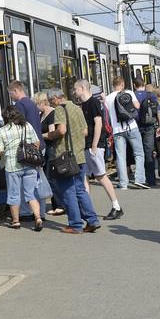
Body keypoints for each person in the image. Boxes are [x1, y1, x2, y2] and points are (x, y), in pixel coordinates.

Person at [48, 89, 100, 234]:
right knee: (80, 189)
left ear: (54, 98)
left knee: (68, 191)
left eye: (51, 102)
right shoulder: (77, 108)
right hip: (80, 156)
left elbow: (61, 130)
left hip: (65, 158)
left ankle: (75, 225)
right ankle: (92, 220)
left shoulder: (60, 108)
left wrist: (50, 135)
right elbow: (85, 131)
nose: (52, 105)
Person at [0, 104, 45, 232]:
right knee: (30, 193)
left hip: (12, 167)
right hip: (29, 164)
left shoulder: (2, 131)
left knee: (14, 195)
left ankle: (16, 222)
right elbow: (37, 143)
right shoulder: (27, 126)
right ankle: (38, 218)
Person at [75, 79, 123, 219]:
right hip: (88, 145)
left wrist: (95, 145)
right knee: (85, 176)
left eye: (75, 89)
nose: (73, 91)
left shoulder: (93, 103)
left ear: (83, 88)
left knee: (101, 175)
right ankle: (86, 208)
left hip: (93, 145)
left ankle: (116, 206)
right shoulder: (84, 104)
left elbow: (98, 123)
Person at [104, 76, 148, 189]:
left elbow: (108, 116)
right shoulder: (128, 92)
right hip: (131, 127)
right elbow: (137, 106)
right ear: (122, 84)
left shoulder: (108, 98)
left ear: (113, 85)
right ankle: (139, 179)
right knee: (138, 153)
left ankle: (123, 183)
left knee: (120, 157)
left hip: (117, 130)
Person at [34, 91, 65, 216]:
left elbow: (52, 132)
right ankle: (55, 204)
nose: (35, 107)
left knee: (51, 177)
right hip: (45, 149)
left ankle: (60, 205)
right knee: (49, 177)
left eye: (36, 104)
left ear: (42, 102)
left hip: (51, 148)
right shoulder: (41, 114)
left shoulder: (52, 113)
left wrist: (40, 136)